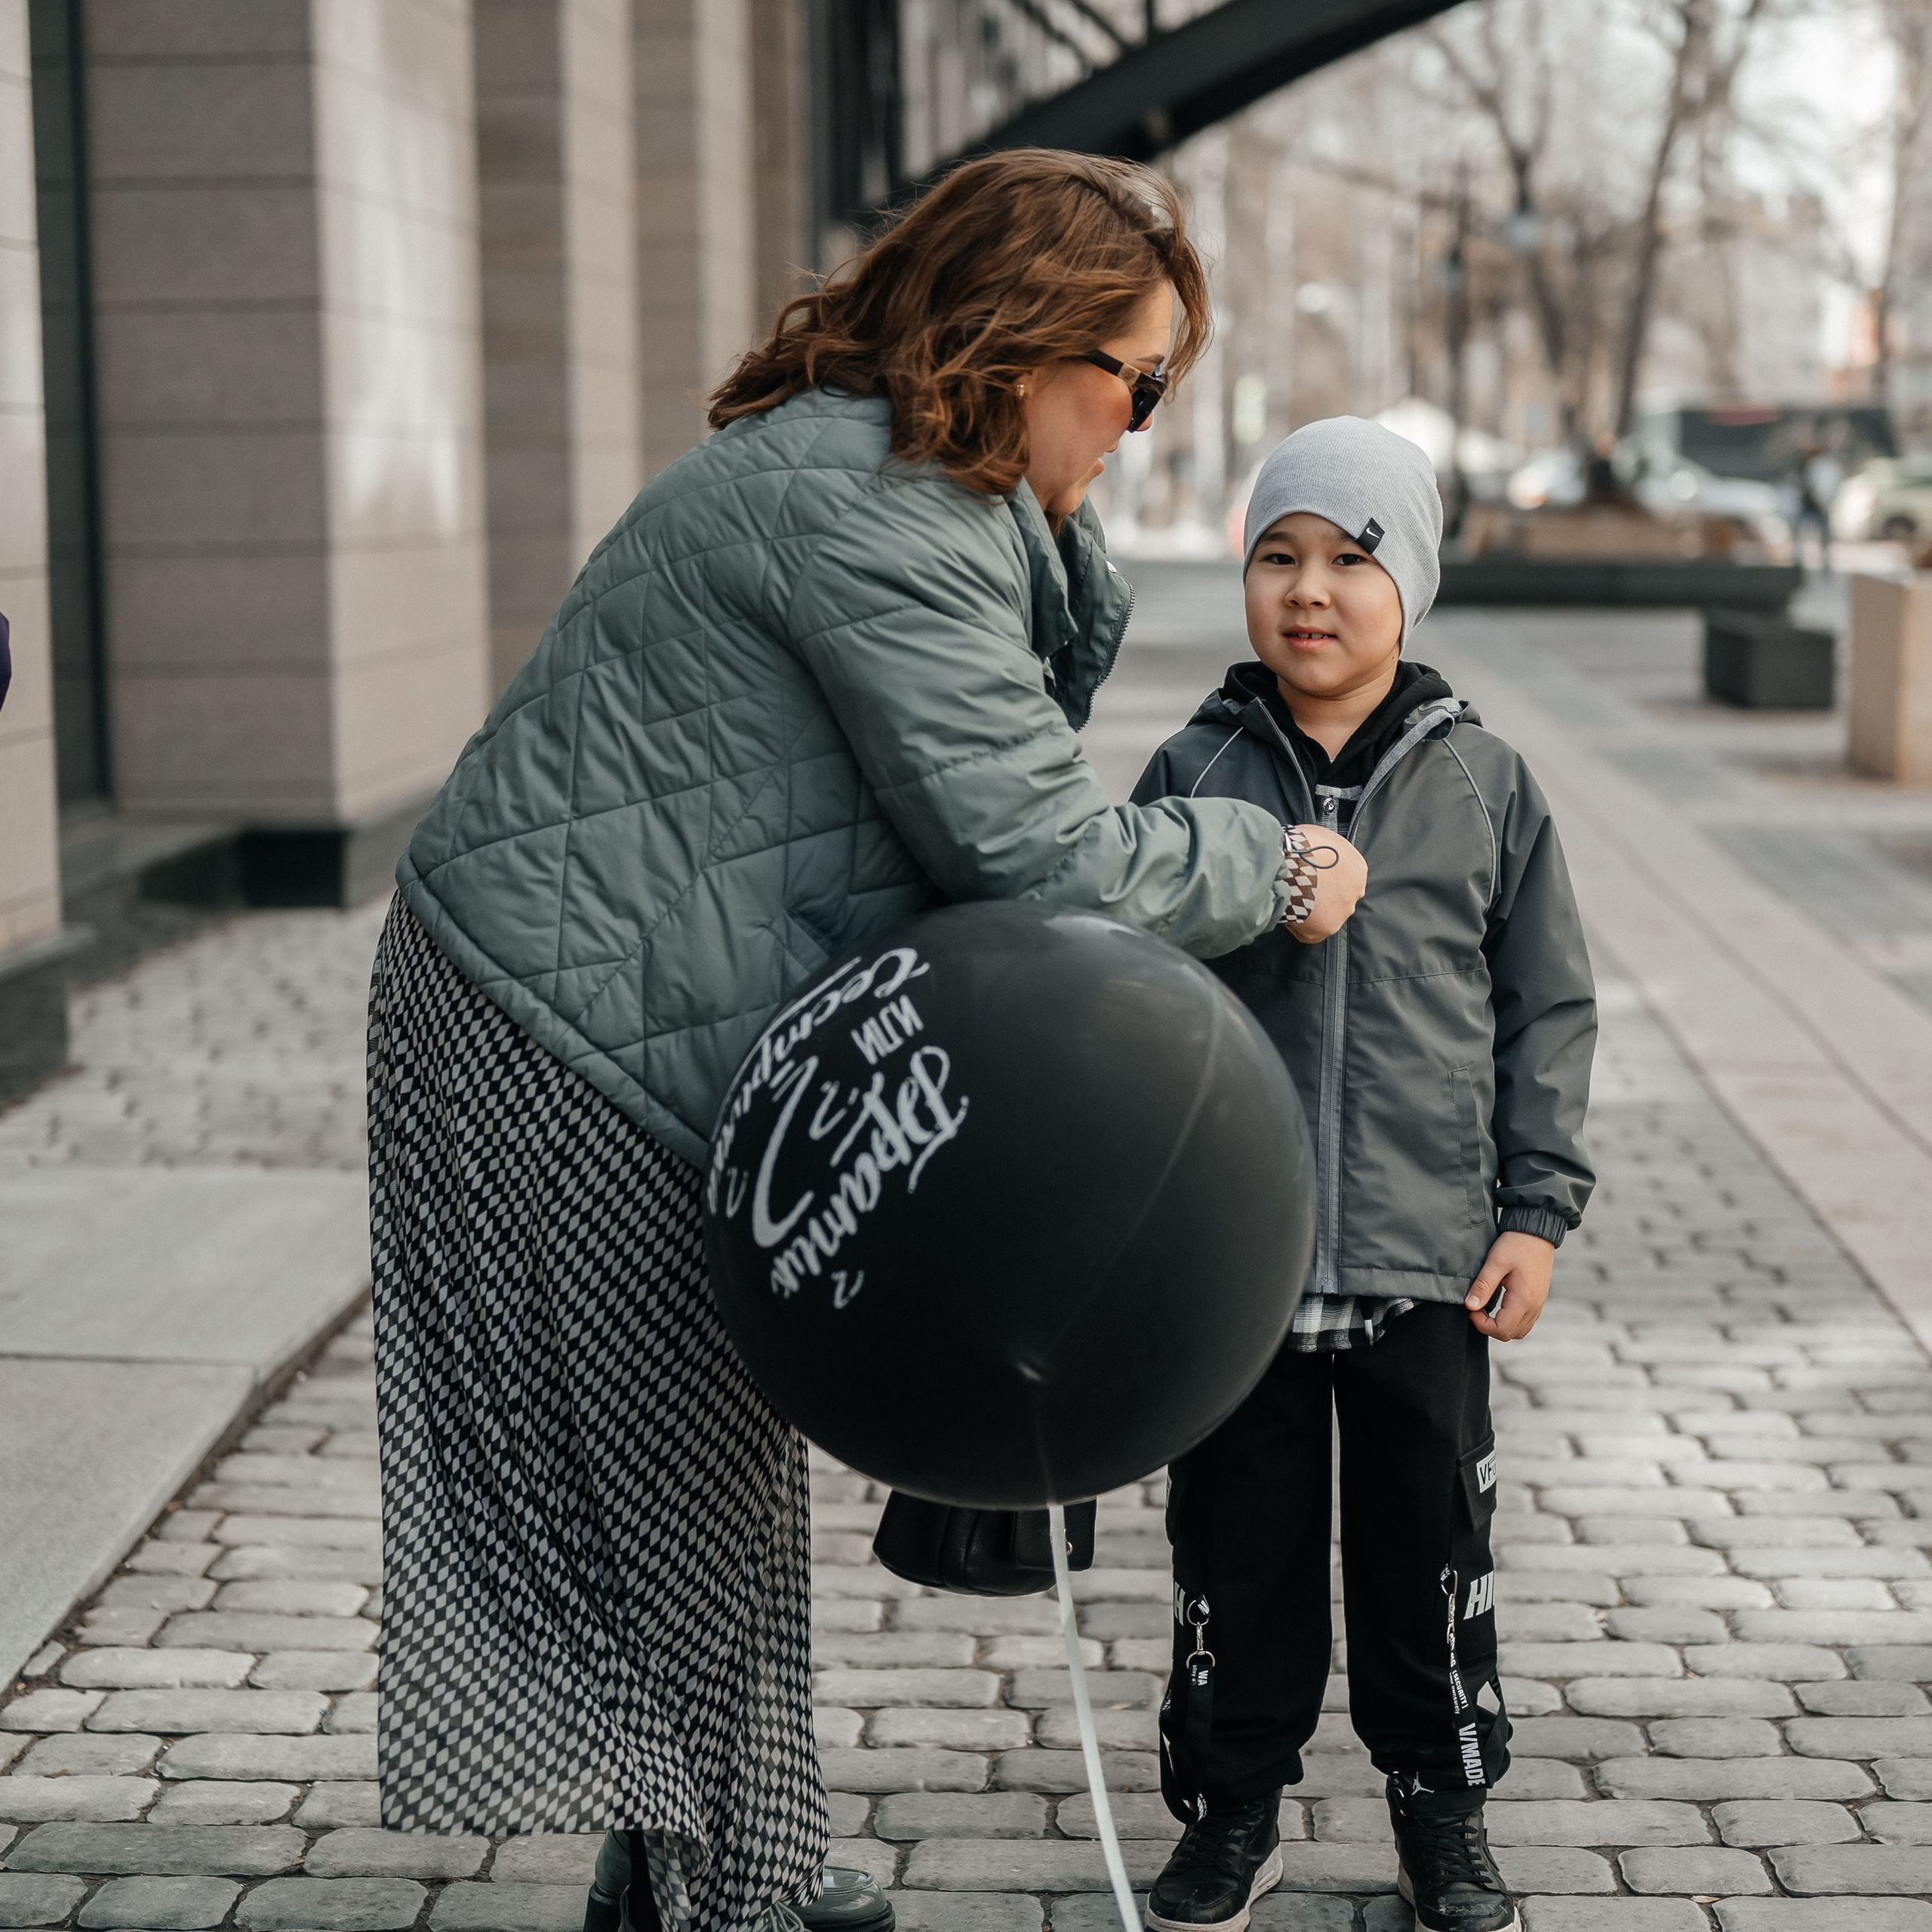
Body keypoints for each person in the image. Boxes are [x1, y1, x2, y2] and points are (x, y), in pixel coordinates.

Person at [365, 150, 1370, 1932]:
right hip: (561, 1012)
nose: (1137, 425)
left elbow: (971, 801)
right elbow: (1038, 852)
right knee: (681, 1473)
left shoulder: (916, 488)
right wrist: (1270, 862)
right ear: (1026, 338)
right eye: (1131, 380)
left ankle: (696, 1858)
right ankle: (731, 1887)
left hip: (614, 991)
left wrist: (1057, 543)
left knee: (698, 1464)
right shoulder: (877, 506)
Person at [1130, 418, 1597, 1932]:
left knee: (1425, 1546)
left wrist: (1532, 1211)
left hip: (1422, 1257)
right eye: (1278, 554)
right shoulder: (1191, 765)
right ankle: (1232, 1802)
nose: (1309, 589)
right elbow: (1127, 991)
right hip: (1239, 1264)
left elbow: (1544, 1008)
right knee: (1235, 1547)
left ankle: (1440, 1805)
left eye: (1350, 556)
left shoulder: (1481, 784)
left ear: (1413, 588)